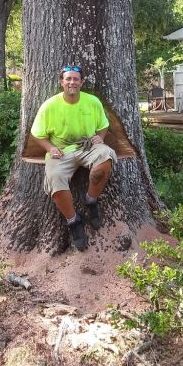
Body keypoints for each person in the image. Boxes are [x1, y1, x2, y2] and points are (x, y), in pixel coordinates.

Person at [31, 65, 117, 251]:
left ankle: (91, 200)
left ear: (81, 83)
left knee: (106, 156)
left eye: (76, 79)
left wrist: (100, 138)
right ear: (62, 82)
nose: (72, 82)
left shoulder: (92, 101)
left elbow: (103, 124)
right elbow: (37, 133)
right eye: (68, 79)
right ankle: (73, 221)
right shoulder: (49, 105)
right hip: (61, 151)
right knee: (54, 179)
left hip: (87, 147)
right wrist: (50, 148)